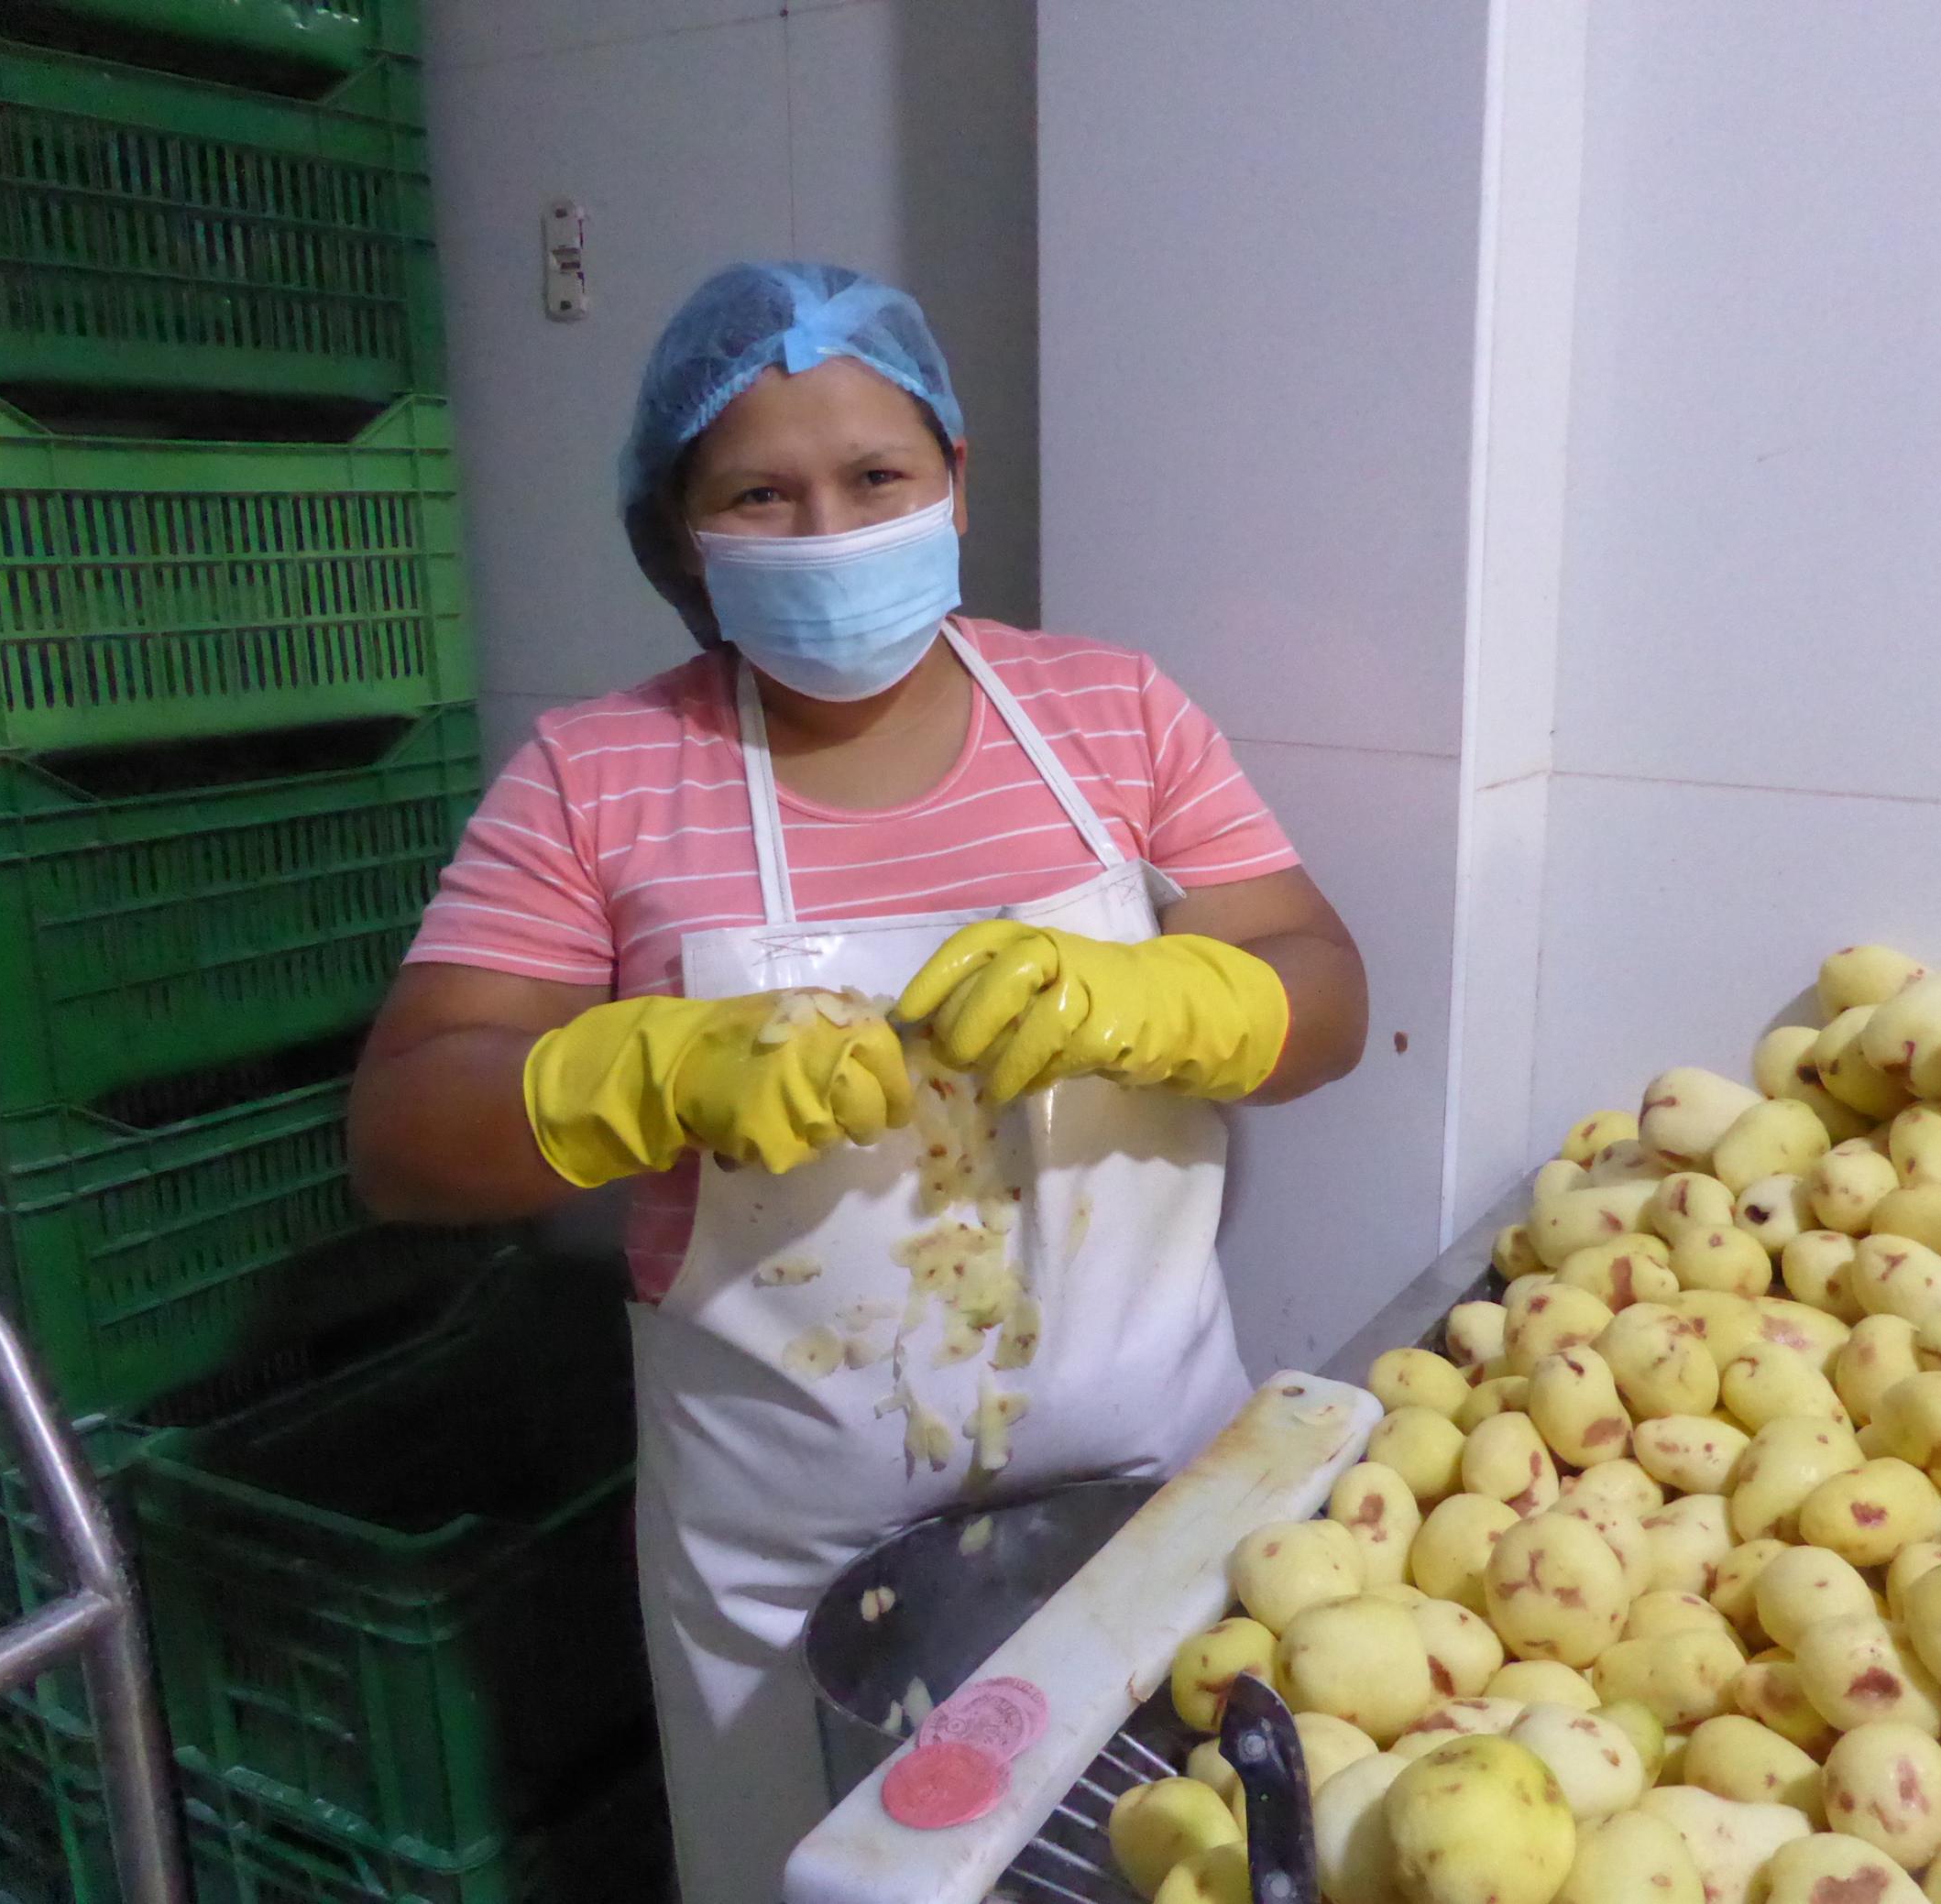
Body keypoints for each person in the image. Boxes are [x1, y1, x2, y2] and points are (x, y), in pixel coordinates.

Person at [348, 261, 1368, 1898]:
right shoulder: (599, 775)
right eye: (764, 491)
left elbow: (1323, 993)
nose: (829, 530)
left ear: (956, 481)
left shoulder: (1112, 714)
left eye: (876, 478)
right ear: (686, 532)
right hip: (785, 1572)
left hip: (1153, 1513)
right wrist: (644, 1068)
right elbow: (403, 1134)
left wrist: (1170, 997)